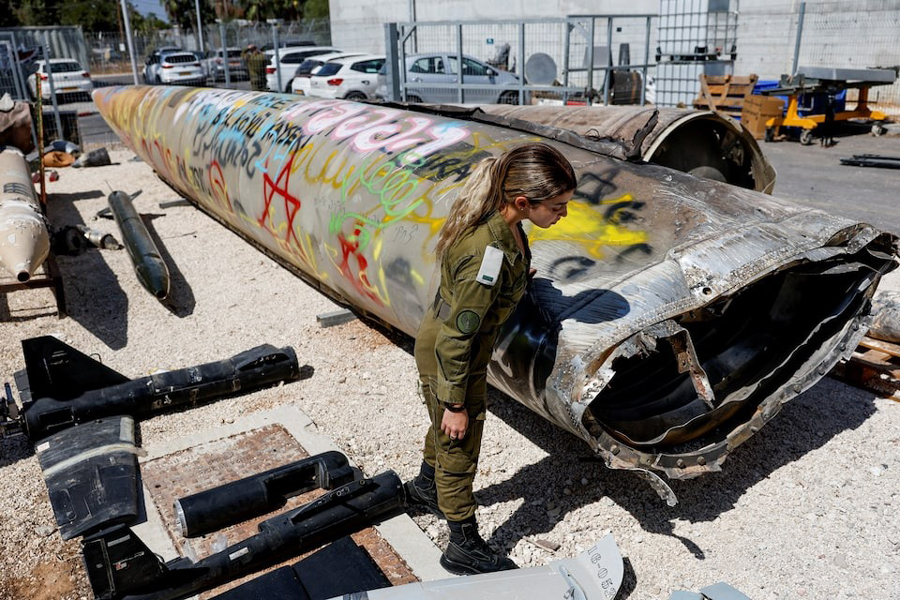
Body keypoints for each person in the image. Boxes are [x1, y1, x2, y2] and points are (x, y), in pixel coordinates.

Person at [407, 142, 577, 575]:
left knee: (444, 436)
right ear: (523, 201)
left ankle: (428, 490)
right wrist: (456, 403)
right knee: (459, 442)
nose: (563, 213)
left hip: (458, 350)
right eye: (557, 205)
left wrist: (517, 279)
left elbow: (494, 277)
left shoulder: (506, 227)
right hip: (452, 359)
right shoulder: (488, 251)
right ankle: (462, 544)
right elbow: (454, 340)